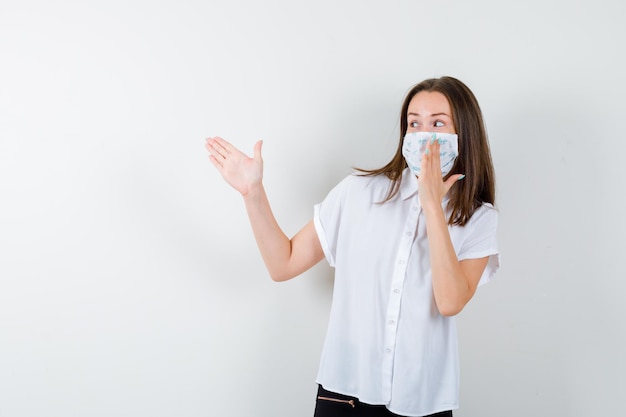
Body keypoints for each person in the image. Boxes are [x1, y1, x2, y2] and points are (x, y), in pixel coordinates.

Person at [205, 76, 499, 417]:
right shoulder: (357, 194)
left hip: (423, 402)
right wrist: (252, 192)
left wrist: (432, 204)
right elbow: (282, 264)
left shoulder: (478, 218)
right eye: (414, 123)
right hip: (344, 397)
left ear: (463, 133)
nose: (423, 135)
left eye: (437, 123)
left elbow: (450, 301)